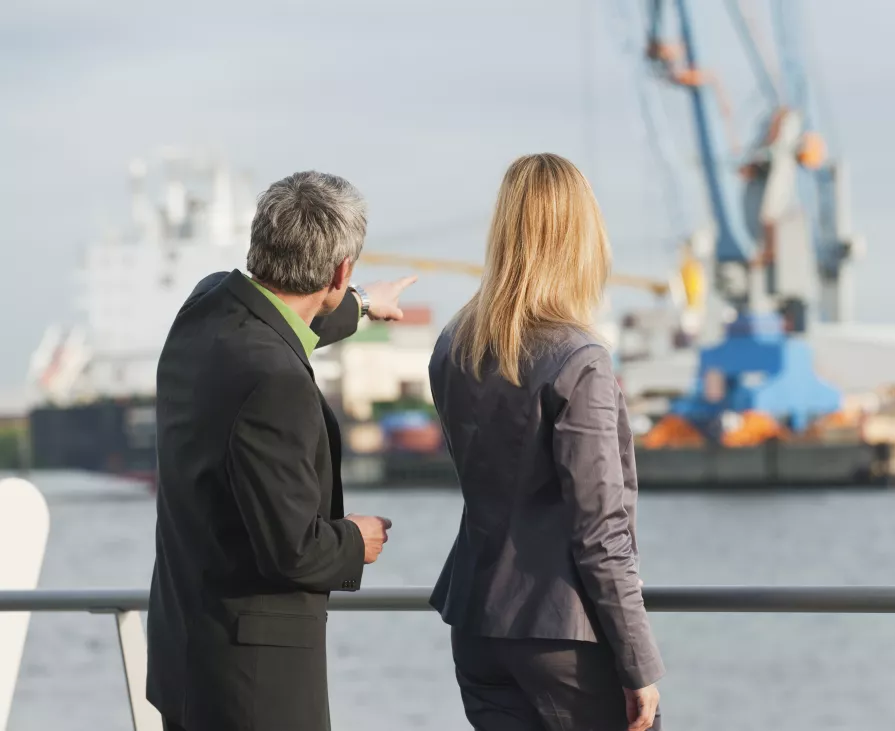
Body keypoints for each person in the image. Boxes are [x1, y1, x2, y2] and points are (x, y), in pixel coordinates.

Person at [146, 170, 415, 731]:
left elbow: (284, 313)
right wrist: (355, 540)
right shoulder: (277, 383)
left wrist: (363, 306)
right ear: (340, 270)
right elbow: (293, 550)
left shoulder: (204, 306)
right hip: (254, 687)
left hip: (187, 656)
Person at [429, 153, 665, 731]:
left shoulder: (454, 344)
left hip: (478, 626)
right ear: (581, 238)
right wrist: (639, 662)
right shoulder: (579, 359)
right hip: (565, 637)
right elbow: (600, 529)